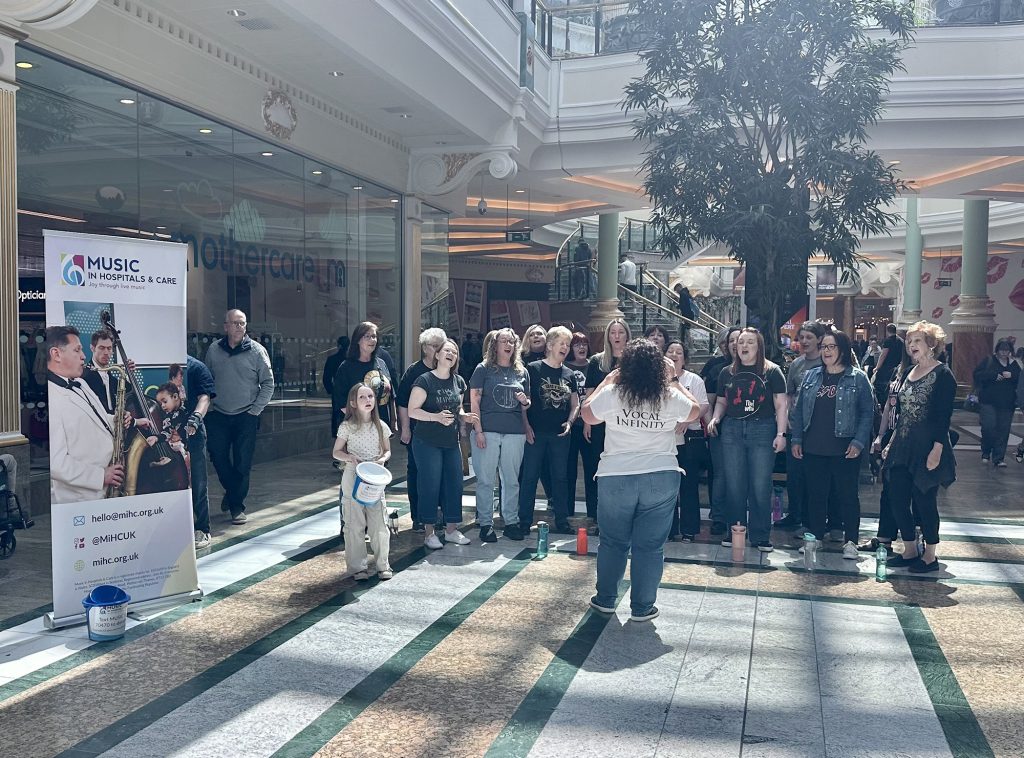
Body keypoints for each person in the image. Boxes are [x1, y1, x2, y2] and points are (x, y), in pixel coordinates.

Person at [583, 338, 700, 622]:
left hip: (616, 476)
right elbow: (696, 411)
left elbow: (587, 413)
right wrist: (673, 380)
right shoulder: (668, 395)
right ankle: (642, 607)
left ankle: (606, 599)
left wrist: (608, 379)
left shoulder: (613, 392)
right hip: (660, 476)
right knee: (650, 546)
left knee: (612, 542)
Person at [790, 328, 875, 559]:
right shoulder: (811, 376)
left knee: (847, 496)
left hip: (844, 449)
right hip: (814, 446)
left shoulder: (857, 377)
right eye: (824, 347)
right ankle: (816, 537)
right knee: (816, 495)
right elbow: (798, 411)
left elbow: (868, 413)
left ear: (843, 350)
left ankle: (851, 542)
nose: (826, 351)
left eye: (831, 347)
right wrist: (797, 439)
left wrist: (858, 442)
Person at [881, 321, 956, 573]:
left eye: (917, 341)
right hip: (903, 444)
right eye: (909, 341)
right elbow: (900, 413)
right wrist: (889, 441)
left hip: (928, 445)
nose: (911, 345)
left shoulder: (943, 374)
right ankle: (910, 549)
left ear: (931, 344)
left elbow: (943, 416)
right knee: (897, 496)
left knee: (924, 499)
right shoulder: (906, 373)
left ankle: (930, 555)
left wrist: (937, 450)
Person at [707, 328, 788, 553]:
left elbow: (781, 405)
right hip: (732, 429)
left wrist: (781, 434)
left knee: (760, 484)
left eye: (750, 342)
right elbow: (722, 401)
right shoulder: (726, 372)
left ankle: (761, 535)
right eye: (741, 342)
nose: (744, 346)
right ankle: (736, 530)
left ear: (758, 346)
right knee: (734, 484)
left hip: (762, 428)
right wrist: (715, 418)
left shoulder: (772, 372)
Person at [205, 309, 275, 525]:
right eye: (234, 323)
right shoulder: (214, 350)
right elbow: (207, 379)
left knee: (243, 463)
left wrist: (255, 410)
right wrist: (209, 407)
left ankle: (237, 506)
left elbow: (268, 383)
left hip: (246, 415)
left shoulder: (257, 351)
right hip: (218, 414)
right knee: (218, 458)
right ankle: (233, 491)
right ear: (225, 326)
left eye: (242, 324)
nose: (238, 327)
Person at [45, 326, 129, 504]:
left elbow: (99, 419)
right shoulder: (51, 399)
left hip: (106, 487)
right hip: (81, 498)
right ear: (56, 354)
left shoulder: (80, 384)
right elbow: (56, 463)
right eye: (77, 350)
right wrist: (101, 475)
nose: (83, 356)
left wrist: (119, 419)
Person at [408, 339, 478, 549]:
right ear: (437, 355)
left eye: (454, 352)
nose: (451, 354)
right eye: (447, 350)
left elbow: (458, 411)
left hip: (451, 441)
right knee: (430, 484)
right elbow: (413, 410)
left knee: (454, 483)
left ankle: (451, 529)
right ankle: (429, 532)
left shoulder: (459, 382)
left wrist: (465, 417)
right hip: (427, 441)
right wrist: (436, 417)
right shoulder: (425, 380)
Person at [469, 328, 530, 542]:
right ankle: (486, 524)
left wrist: (525, 401)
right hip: (488, 430)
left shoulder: (522, 371)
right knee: (486, 481)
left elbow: (526, 404)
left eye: (512, 341)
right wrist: (478, 430)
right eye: (504, 341)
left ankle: (511, 522)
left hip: (514, 432)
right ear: (495, 345)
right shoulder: (483, 369)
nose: (508, 345)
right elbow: (474, 401)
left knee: (511, 480)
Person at [519, 326, 579, 535]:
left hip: (560, 435)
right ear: (550, 345)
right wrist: (526, 426)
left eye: (567, 344)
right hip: (535, 433)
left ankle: (562, 520)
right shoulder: (533, 369)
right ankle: (524, 520)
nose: (565, 347)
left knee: (560, 478)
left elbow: (575, 403)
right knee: (530, 476)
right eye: (561, 343)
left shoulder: (569, 373)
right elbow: (524, 401)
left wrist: (571, 422)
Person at [333, 383, 393, 580]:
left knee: (379, 523)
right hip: (353, 474)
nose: (368, 400)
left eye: (370, 397)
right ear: (353, 403)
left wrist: (383, 459)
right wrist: (349, 457)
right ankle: (358, 567)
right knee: (354, 522)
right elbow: (336, 452)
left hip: (374, 477)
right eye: (362, 397)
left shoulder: (381, 426)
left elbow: (387, 450)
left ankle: (383, 565)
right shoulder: (347, 427)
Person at [396, 328, 447, 532]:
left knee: (442, 474)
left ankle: (439, 513)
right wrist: (405, 429)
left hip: (443, 433)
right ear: (425, 348)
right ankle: (418, 516)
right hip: (419, 433)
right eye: (434, 346)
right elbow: (401, 402)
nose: (438, 350)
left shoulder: (448, 368)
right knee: (417, 473)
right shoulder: (414, 371)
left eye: (440, 346)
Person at [583, 319, 631, 530]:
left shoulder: (633, 360)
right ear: (608, 336)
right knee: (597, 467)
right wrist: (587, 422)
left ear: (627, 335)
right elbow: (590, 393)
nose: (617, 336)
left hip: (626, 422)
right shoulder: (597, 362)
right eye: (613, 332)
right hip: (600, 421)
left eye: (621, 332)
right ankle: (596, 514)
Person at [778, 320, 826, 530]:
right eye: (802, 337)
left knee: (814, 476)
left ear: (819, 340)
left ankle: (812, 519)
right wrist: (787, 418)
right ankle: (794, 514)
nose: (805, 341)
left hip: (817, 428)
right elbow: (789, 394)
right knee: (795, 475)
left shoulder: (826, 363)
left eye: (809, 337)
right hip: (795, 427)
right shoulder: (796, 364)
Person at [666, 340, 710, 541]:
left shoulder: (694, 380)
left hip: (690, 438)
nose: (675, 354)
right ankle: (670, 528)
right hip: (666, 438)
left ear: (684, 358)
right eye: (670, 351)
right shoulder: (657, 378)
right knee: (668, 486)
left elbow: (703, 406)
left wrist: (687, 419)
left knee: (689, 485)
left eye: (679, 352)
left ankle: (689, 529)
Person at [170, 358, 216, 549]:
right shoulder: (154, 363)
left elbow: (204, 397)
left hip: (192, 432)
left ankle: (201, 528)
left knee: (197, 480)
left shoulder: (196, 367)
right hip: (163, 430)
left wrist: (196, 417)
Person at [701, 327, 741, 536]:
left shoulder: (757, 366)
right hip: (720, 427)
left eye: (739, 340)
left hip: (747, 430)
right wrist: (710, 423)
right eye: (731, 340)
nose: (735, 344)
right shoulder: (716, 367)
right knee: (721, 475)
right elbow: (707, 400)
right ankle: (718, 517)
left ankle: (738, 516)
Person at [332, 321, 397, 438]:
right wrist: (361, 423)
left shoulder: (381, 363)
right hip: (357, 428)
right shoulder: (347, 367)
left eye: (374, 336)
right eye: (367, 336)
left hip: (381, 425)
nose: (372, 340)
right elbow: (340, 400)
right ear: (358, 340)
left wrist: (393, 421)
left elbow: (391, 395)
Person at [973, 339, 1020, 468]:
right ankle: (986, 451)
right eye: (1002, 350)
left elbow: (1019, 379)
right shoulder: (989, 361)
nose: (1004, 353)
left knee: (1003, 430)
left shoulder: (1014, 364)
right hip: (988, 401)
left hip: (1007, 403)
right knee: (988, 427)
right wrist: (993, 375)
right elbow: (977, 375)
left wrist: (1012, 376)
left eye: (1007, 351)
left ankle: (999, 458)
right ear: (997, 350)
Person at [565, 332, 591, 520]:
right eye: (577, 345)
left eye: (584, 344)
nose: (581, 348)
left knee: (591, 469)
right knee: (568, 470)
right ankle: (566, 510)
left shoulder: (595, 365)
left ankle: (593, 511)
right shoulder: (564, 367)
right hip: (570, 425)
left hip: (590, 424)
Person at [82, 328, 118, 414]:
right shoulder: (84, 375)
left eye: (109, 348)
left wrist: (129, 372)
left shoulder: (110, 376)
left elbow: (130, 392)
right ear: (92, 348)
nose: (106, 352)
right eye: (102, 348)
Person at [873, 323, 905, 406]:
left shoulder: (888, 341)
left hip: (887, 368)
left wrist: (877, 367)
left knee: (882, 388)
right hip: (898, 367)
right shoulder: (901, 341)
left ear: (887, 331)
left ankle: (883, 404)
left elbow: (883, 355)